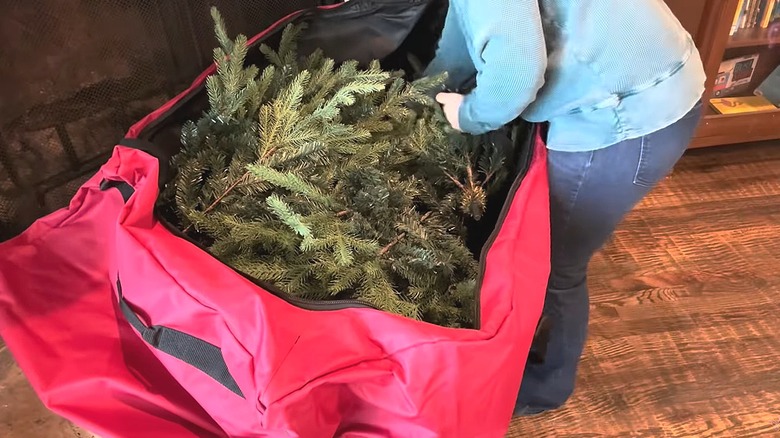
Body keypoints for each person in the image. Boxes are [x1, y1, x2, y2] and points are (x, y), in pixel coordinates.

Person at [424, 0, 706, 416]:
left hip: (627, 117)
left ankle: (543, 385)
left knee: (555, 264)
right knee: (548, 249)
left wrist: (468, 115)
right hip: (665, 75)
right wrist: (424, 87)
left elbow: (516, 77)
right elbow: (466, 22)